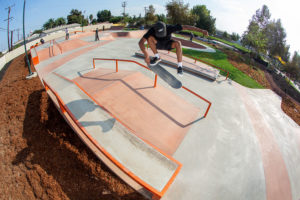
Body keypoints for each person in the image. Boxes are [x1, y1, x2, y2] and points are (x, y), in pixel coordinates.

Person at [139, 21, 208, 75]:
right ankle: (157, 57)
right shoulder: (152, 30)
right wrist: (146, 55)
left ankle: (180, 67)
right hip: (158, 44)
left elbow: (187, 27)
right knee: (149, 38)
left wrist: (201, 31)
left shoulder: (170, 27)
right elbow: (141, 42)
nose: (161, 36)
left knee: (178, 43)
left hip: (168, 44)